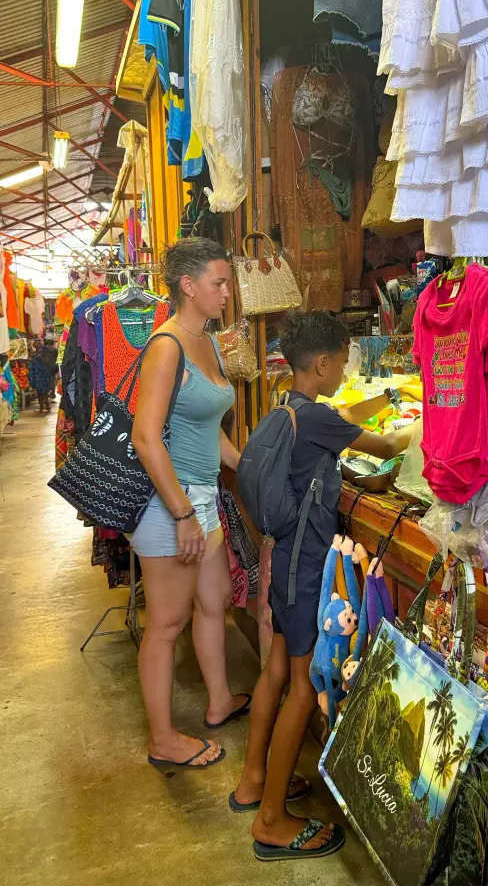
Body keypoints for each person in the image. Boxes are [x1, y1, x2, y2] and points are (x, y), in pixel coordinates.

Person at [233, 310, 414, 861]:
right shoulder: (316, 419)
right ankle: (271, 821)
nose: (345, 371)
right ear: (323, 362)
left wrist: (382, 399)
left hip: (282, 563)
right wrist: (427, 427)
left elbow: (345, 418)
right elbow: (384, 447)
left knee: (276, 673)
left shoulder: (290, 407)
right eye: (343, 362)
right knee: (305, 688)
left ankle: (254, 782)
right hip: (305, 570)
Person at [131, 238, 248, 770]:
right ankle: (162, 739)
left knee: (214, 601)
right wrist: (181, 514)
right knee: (167, 622)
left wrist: (247, 468)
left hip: (203, 498)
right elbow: (146, 438)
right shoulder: (166, 346)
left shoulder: (210, 342)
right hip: (170, 504)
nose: (227, 293)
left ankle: (219, 700)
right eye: (219, 283)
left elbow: (206, 429)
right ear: (188, 285)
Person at [29, 342, 54, 413]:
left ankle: (42, 407)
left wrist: (32, 379)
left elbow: (32, 368)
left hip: (39, 377)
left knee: (40, 393)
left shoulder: (36, 357)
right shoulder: (48, 356)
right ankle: (46, 406)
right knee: (45, 392)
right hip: (45, 376)